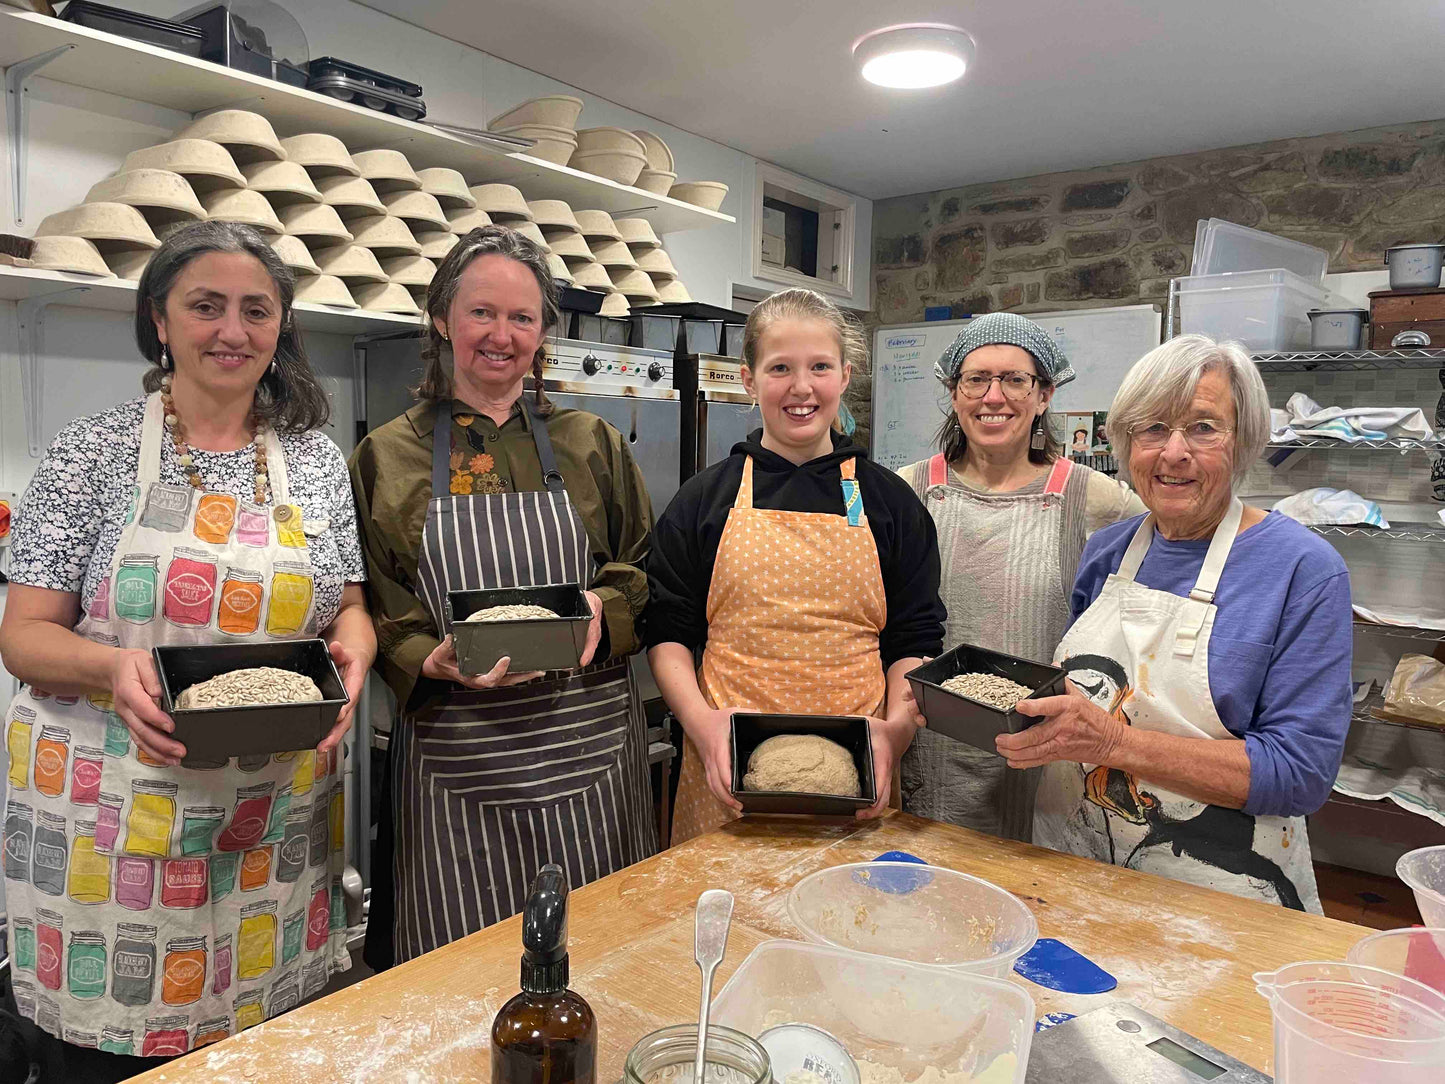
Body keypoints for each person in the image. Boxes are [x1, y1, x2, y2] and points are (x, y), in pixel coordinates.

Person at [0, 220, 374, 1082]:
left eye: (256, 310)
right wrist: (107, 667)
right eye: (205, 306)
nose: (232, 332)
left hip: (270, 818)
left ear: (282, 328)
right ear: (159, 321)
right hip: (114, 811)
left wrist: (353, 654)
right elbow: (23, 636)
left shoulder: (314, 464)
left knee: (257, 1056)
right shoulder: (90, 452)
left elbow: (347, 606)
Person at [349, 225, 656, 966]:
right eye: (482, 313)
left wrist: (600, 610)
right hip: (458, 762)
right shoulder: (387, 455)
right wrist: (430, 658)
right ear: (441, 320)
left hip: (589, 755)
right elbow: (376, 602)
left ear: (542, 332)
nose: (501, 335)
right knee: (457, 977)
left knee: (603, 962)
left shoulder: (592, 442)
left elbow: (643, 570)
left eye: (522, 318)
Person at [1004, 334, 1351, 912]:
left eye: (1204, 428)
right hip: (1077, 860)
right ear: (1125, 443)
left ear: (1242, 443)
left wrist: (1115, 742)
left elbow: (1300, 774)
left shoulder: (1304, 570)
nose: (1173, 453)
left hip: (1222, 889)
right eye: (1153, 428)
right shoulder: (1107, 552)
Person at [647, 288, 945, 845]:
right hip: (725, 772)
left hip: (858, 773)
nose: (801, 387)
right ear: (747, 379)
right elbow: (668, 632)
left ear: (845, 375)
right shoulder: (703, 500)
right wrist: (701, 725)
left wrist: (894, 736)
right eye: (780, 367)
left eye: (820, 367)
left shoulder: (889, 502)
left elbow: (915, 636)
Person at [897, 313, 1144, 840]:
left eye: (1014, 380)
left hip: (1045, 743)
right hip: (926, 740)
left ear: (1045, 394)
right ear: (954, 391)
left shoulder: (1095, 500)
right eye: (977, 379)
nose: (994, 397)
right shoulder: (909, 490)